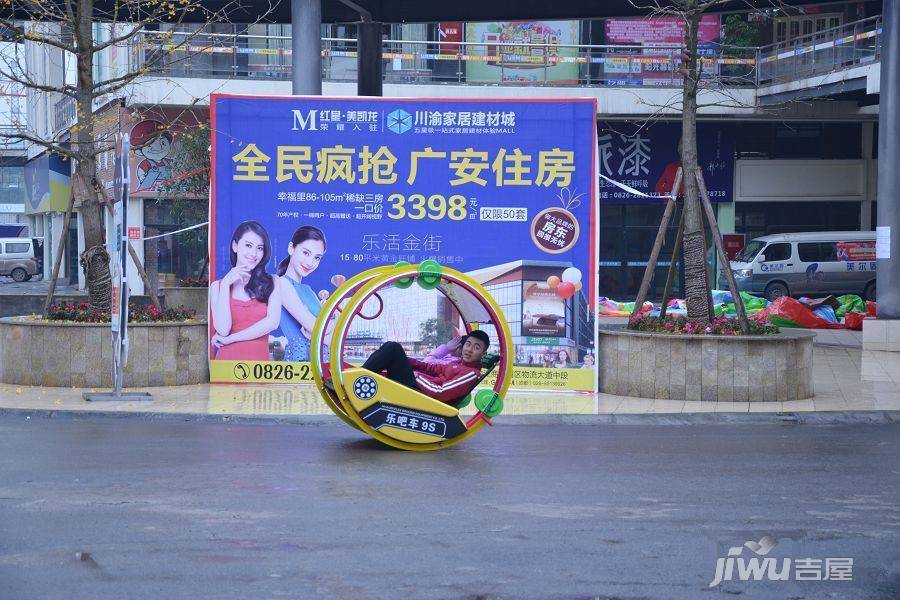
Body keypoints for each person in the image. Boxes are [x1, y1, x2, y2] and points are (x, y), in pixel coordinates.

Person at [209, 221, 282, 360]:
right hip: (227, 366)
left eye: (260, 248)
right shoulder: (217, 287)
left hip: (259, 368)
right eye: (248, 245)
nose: (254, 253)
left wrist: (232, 339)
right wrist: (225, 284)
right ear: (235, 246)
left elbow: (272, 322)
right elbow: (223, 330)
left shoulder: (272, 281)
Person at [362, 330, 490, 405]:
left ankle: (358, 377)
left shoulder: (470, 373)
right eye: (468, 344)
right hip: (419, 389)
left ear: (483, 354)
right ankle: (360, 376)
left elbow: (440, 393)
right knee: (393, 350)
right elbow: (430, 368)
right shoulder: (457, 364)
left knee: (393, 347)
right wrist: (405, 361)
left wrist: (417, 377)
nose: (469, 350)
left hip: (423, 397)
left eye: (476, 347)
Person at [274, 225, 326, 361]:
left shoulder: (309, 291)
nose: (310, 262)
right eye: (306, 253)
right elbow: (318, 328)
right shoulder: (282, 283)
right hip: (299, 364)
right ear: (291, 248)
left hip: (322, 362)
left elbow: (324, 332)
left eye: (317, 258)